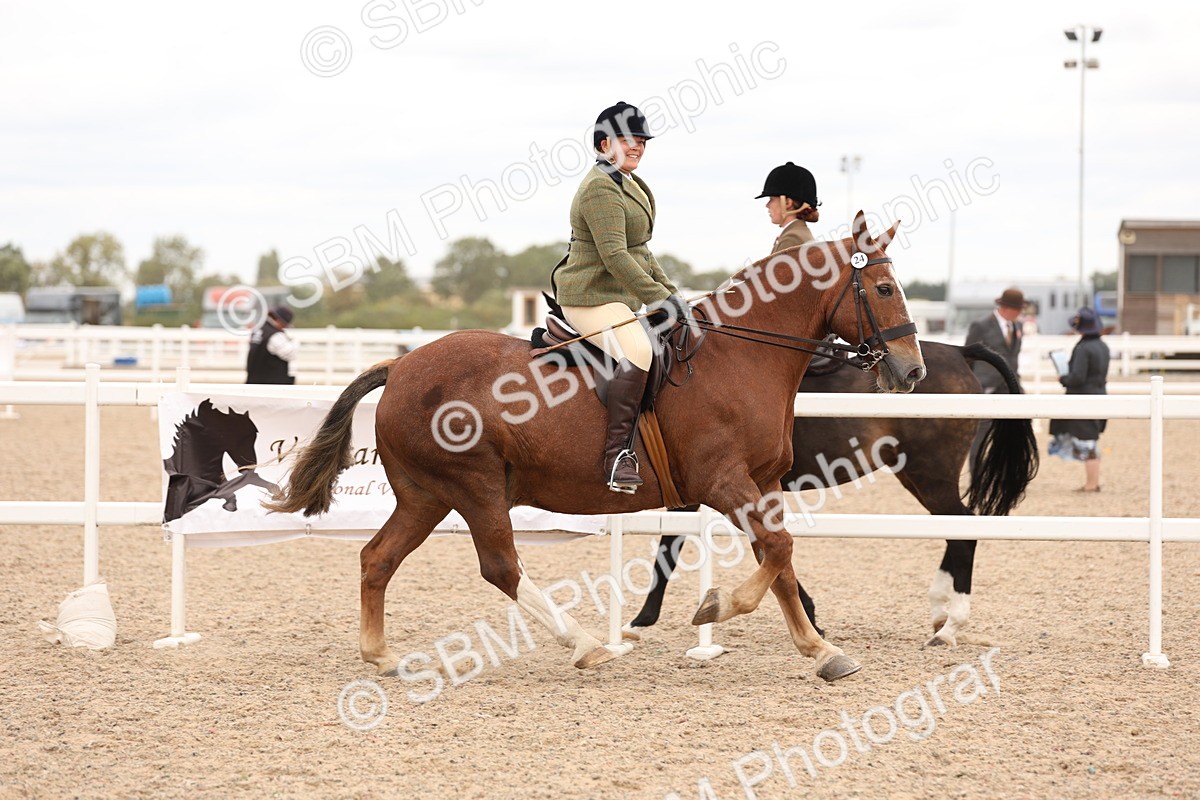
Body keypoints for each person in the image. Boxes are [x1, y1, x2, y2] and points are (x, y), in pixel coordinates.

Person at [550, 101, 688, 494]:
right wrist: (658, 298)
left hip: (619, 300)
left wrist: (672, 296)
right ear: (604, 142)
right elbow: (615, 256)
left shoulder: (633, 186)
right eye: (630, 139)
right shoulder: (598, 189)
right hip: (589, 297)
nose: (638, 147)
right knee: (639, 351)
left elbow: (642, 251)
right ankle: (617, 458)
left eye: (643, 141)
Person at [1049, 307, 1110, 491]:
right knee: (1091, 439)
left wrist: (1063, 379)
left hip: (1084, 398)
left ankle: (1092, 484)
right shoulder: (1103, 346)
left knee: (1087, 441)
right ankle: (1093, 482)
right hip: (1100, 394)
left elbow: (1078, 377)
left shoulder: (1083, 348)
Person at [964, 287, 1025, 471]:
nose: (1021, 313)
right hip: (986, 385)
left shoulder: (1017, 326)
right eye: (1019, 309)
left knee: (1017, 429)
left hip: (1011, 384)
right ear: (1008, 308)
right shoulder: (981, 326)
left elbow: (1012, 356)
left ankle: (1009, 471)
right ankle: (977, 473)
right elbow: (968, 355)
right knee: (981, 433)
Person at [757, 162, 820, 254]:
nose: (767, 205)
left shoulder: (791, 239)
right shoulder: (798, 233)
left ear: (787, 203)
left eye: (771, 199)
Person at [246, 305, 297, 385]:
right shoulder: (275, 335)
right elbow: (291, 354)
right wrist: (291, 341)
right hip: (272, 383)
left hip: (254, 380)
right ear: (281, 322)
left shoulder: (258, 330)